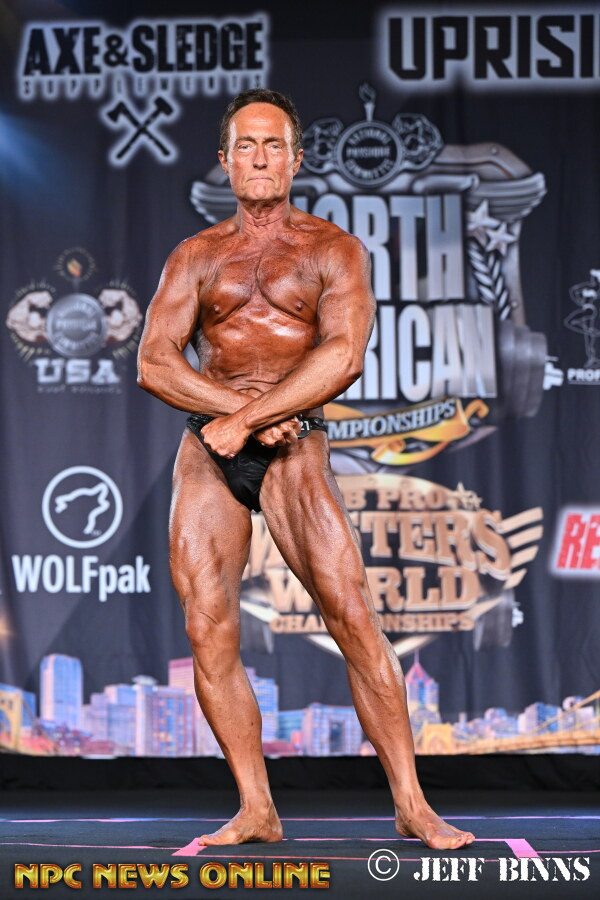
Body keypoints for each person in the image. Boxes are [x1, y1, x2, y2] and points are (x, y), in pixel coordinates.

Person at [137, 88, 475, 850]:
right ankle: (256, 806)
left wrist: (257, 417)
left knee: (351, 614)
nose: (260, 158)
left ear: (295, 160)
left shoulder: (332, 250)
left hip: (296, 445)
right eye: (246, 146)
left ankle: (412, 804)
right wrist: (238, 411)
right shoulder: (195, 257)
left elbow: (344, 355)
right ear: (225, 162)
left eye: (273, 146)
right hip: (212, 445)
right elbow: (154, 361)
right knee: (206, 624)